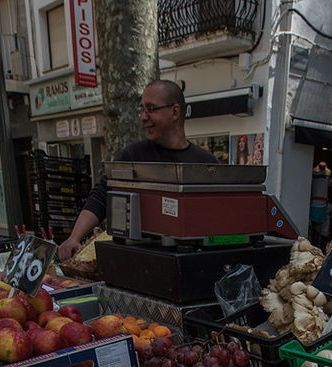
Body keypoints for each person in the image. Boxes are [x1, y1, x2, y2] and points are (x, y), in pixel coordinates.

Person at [56, 80, 217, 261]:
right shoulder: (132, 155)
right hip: (138, 263)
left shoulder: (206, 163)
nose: (143, 116)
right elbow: (101, 196)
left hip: (194, 263)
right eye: (141, 109)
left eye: (151, 108)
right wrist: (74, 238)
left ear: (175, 111)